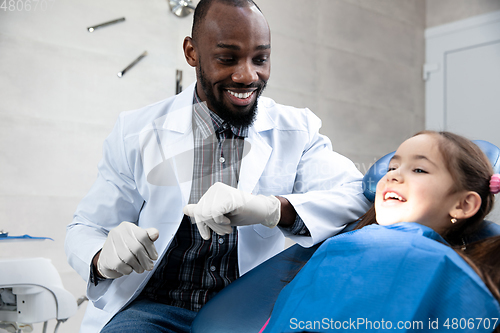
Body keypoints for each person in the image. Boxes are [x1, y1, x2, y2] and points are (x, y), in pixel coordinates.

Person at [64, 0, 370, 332]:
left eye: (260, 59)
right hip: (153, 310)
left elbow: (358, 197)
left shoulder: (296, 130)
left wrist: (273, 208)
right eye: (227, 59)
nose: (247, 75)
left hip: (245, 310)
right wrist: (101, 257)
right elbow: (85, 228)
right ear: (192, 52)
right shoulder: (136, 131)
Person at [262, 131, 500, 333]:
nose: (393, 175)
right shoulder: (338, 245)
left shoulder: (445, 269)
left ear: (463, 205)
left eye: (418, 170)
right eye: (393, 167)